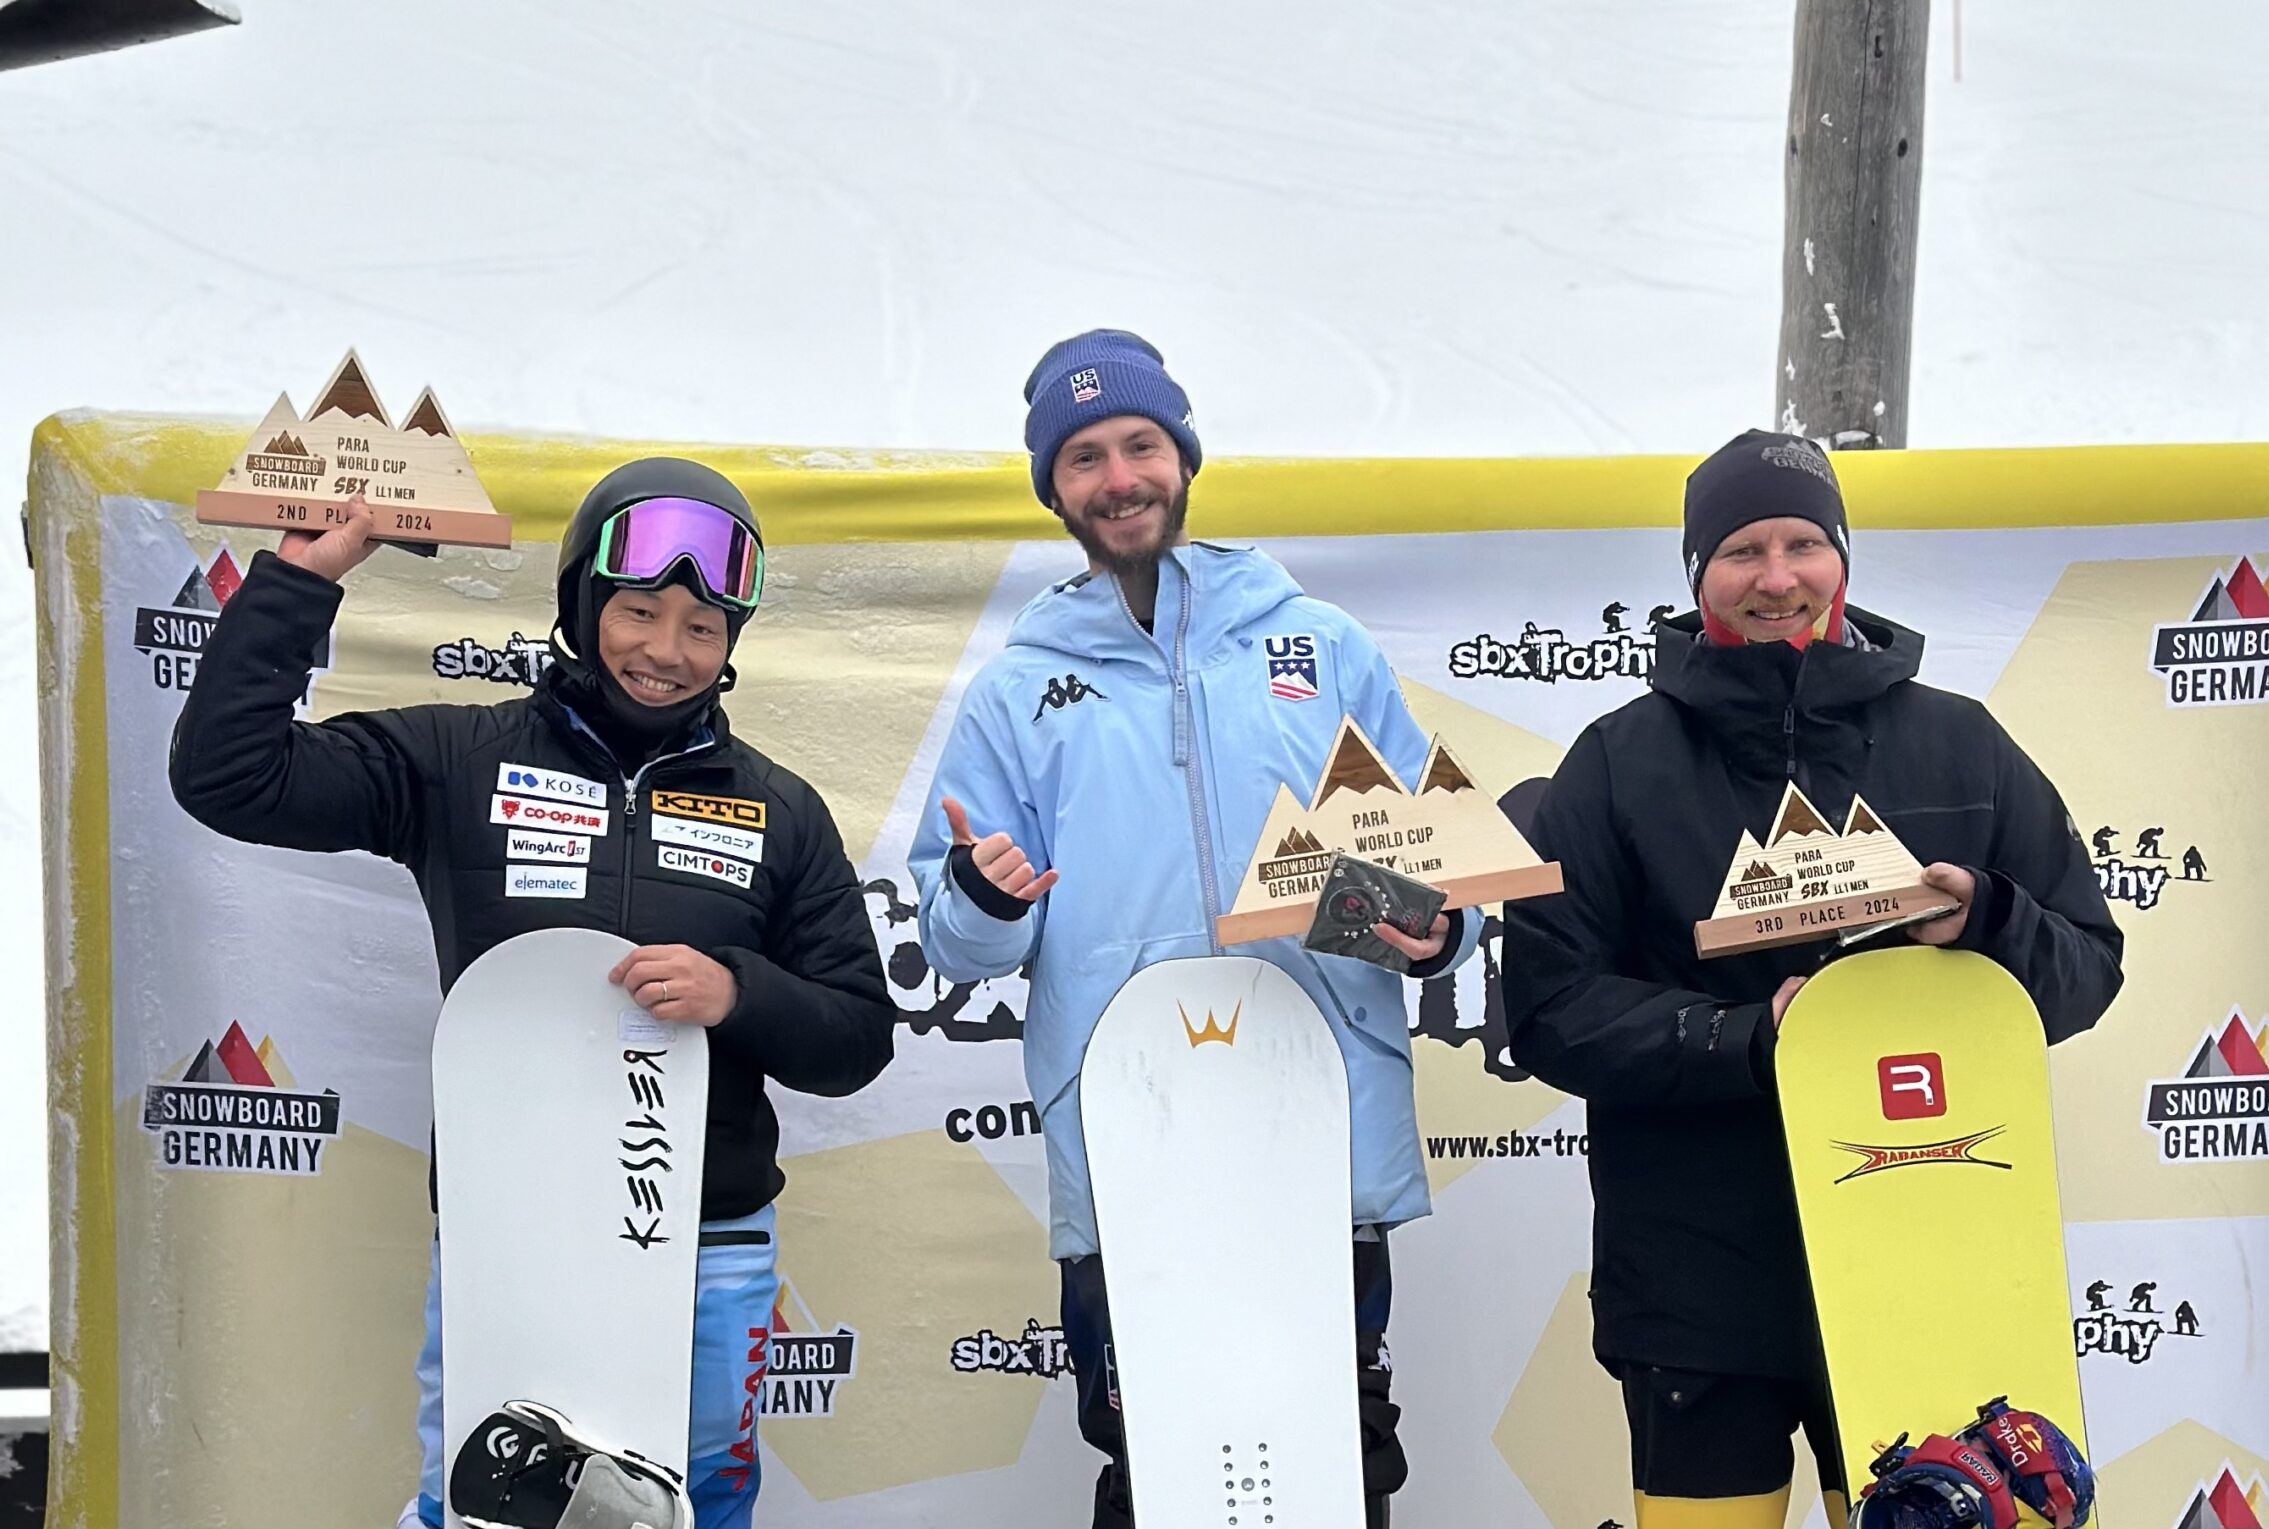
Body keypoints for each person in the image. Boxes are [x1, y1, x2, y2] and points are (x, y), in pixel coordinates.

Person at [167, 458, 901, 1529]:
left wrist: (737, 989)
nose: (667, 651)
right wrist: (301, 580)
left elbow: (855, 1038)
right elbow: (232, 778)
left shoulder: (780, 812)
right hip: (509, 1237)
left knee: (689, 1507)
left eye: (703, 627)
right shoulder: (459, 759)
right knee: (489, 1508)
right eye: (641, 611)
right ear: (581, 607)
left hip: (706, 1245)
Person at [907, 329, 1479, 1529]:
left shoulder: (1317, 645)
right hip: (1133, 1136)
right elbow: (960, 945)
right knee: (1160, 1469)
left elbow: (1434, 873)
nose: (1118, 478)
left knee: (1336, 1454)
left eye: (1139, 444)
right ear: (1052, 487)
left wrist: (1433, 931)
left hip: (1314, 1131)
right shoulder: (1018, 689)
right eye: (1083, 458)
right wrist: (991, 894)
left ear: (1181, 455)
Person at [1500, 430, 2122, 1529]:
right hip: (1695, 1285)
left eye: (1801, 543)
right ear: (1697, 575)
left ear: (1842, 557)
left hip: (1923, 1271)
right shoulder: (1616, 760)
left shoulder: (1959, 744)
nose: (1775, 577)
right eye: (1741, 549)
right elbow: (1551, 1009)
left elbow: (2085, 970)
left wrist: (1982, 916)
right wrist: (1756, 1037)